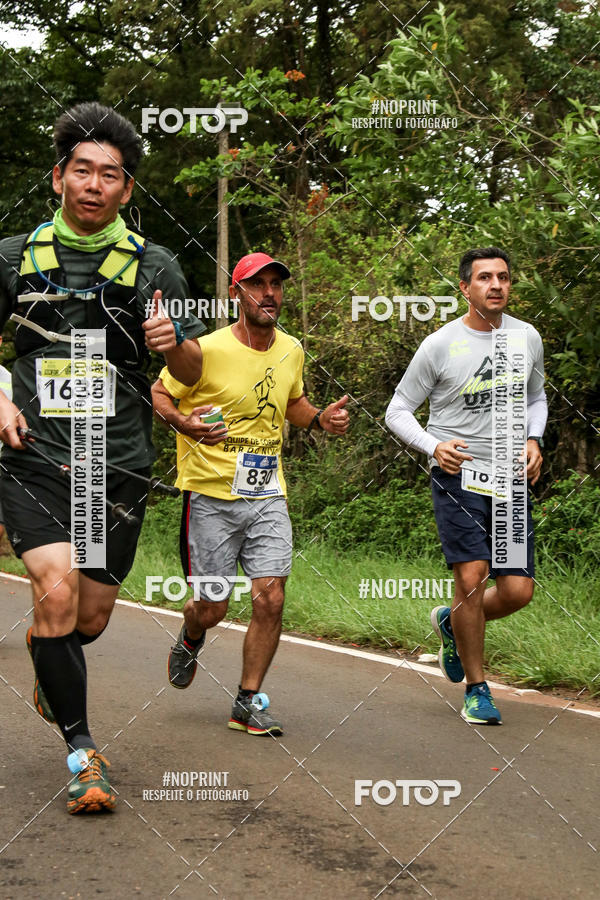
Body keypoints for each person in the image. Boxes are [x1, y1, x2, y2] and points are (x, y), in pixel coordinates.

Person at [0, 102, 204, 813]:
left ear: (126, 190)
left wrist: (171, 341)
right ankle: (85, 753)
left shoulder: (156, 267)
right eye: (81, 169)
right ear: (58, 178)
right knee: (55, 592)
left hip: (114, 462)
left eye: (109, 175)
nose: (93, 184)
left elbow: (194, 367)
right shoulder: (12, 257)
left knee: (88, 618)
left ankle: (50, 658)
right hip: (35, 457)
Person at [152, 252, 349, 735]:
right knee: (213, 607)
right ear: (235, 294)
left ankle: (246, 699)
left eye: (276, 285)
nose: (269, 294)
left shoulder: (292, 349)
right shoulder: (206, 350)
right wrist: (183, 423)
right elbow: (161, 393)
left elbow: (294, 404)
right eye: (257, 285)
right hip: (209, 496)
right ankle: (193, 631)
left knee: (271, 598)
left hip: (266, 495)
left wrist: (320, 418)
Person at [385, 247, 547, 725]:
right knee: (472, 580)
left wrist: (534, 439)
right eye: (484, 278)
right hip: (459, 477)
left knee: (518, 591)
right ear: (465, 288)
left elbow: (536, 398)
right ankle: (478, 689)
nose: (495, 285)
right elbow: (397, 410)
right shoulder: (439, 345)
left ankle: (450, 623)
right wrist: (433, 447)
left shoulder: (526, 337)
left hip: (510, 481)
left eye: (502, 277)